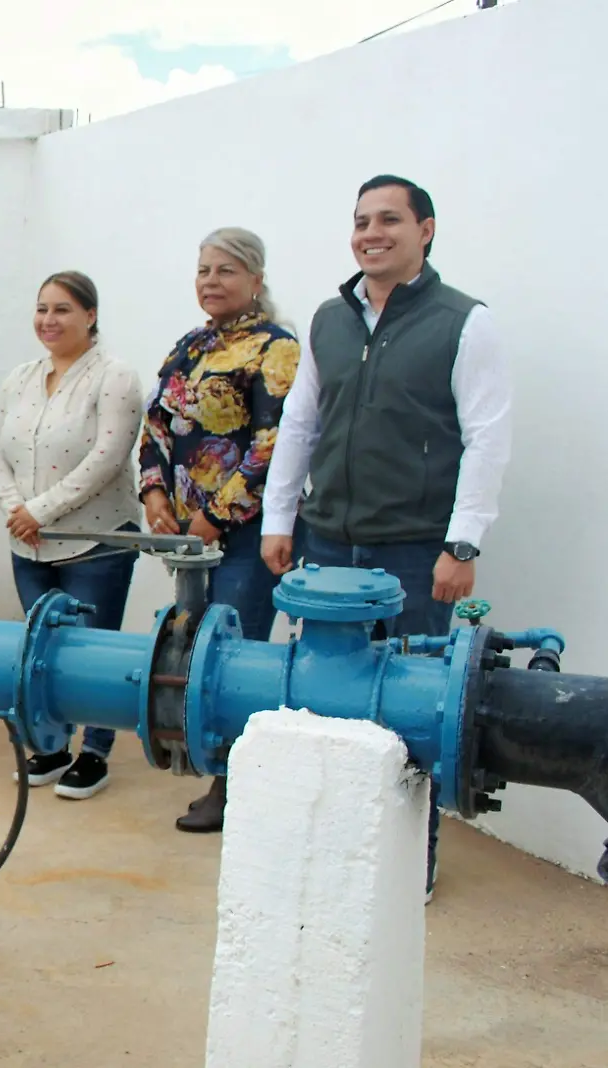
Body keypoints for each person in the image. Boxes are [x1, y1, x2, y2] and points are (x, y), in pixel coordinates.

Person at [261, 175, 511, 903]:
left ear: (425, 230)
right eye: (362, 220)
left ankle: (409, 863)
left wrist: (462, 545)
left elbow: (487, 438)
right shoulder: (327, 320)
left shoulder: (466, 322)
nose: (371, 233)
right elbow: (302, 422)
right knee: (322, 702)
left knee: (410, 711)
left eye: (390, 220)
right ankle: (334, 853)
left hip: (413, 551)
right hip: (327, 545)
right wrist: (281, 519)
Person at [137, 226, 301, 832]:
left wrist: (216, 515)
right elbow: (156, 425)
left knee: (235, 655)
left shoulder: (275, 347)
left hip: (246, 534)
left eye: (226, 270)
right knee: (196, 646)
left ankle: (235, 785)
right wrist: (154, 492)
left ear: (256, 280)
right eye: (204, 269)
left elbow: (274, 445)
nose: (211, 280)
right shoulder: (191, 344)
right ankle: (218, 764)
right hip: (188, 535)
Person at [0, 271, 145, 800]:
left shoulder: (114, 376)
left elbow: (107, 457)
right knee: (42, 648)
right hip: (28, 540)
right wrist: (16, 509)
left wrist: (40, 510)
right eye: (42, 309)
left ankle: (95, 751)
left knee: (92, 652)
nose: (48, 320)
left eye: (62, 309)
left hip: (95, 538)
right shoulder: (20, 377)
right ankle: (51, 745)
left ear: (90, 316)